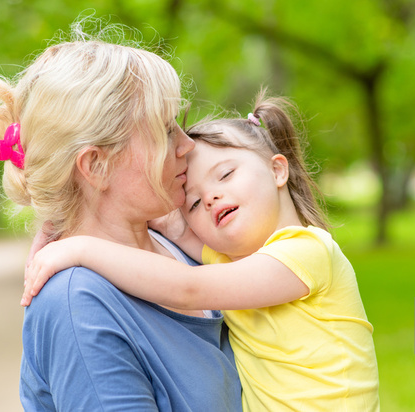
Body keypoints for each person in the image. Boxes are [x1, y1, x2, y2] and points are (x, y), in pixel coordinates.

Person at [23, 90, 381, 411]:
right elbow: (176, 231)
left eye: (225, 175)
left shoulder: (308, 252)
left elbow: (187, 285)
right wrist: (67, 221)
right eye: (193, 203)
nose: (210, 197)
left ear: (277, 170)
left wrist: (82, 248)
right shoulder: (232, 261)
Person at [0, 20, 242, 411]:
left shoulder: (174, 242)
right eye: (165, 131)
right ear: (96, 166)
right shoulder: (79, 307)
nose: (187, 145)